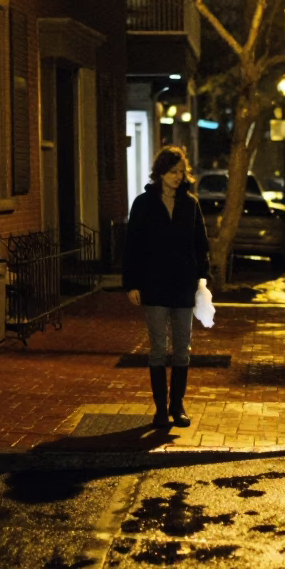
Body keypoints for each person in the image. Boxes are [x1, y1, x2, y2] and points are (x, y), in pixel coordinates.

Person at [122, 145, 210, 427]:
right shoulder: (143, 204)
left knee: (183, 348)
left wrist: (202, 278)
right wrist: (132, 284)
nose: (177, 176)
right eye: (172, 171)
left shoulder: (190, 204)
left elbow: (200, 244)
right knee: (159, 347)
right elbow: (132, 246)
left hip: (183, 285)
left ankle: (177, 405)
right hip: (154, 284)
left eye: (181, 171)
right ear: (160, 172)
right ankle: (161, 408)